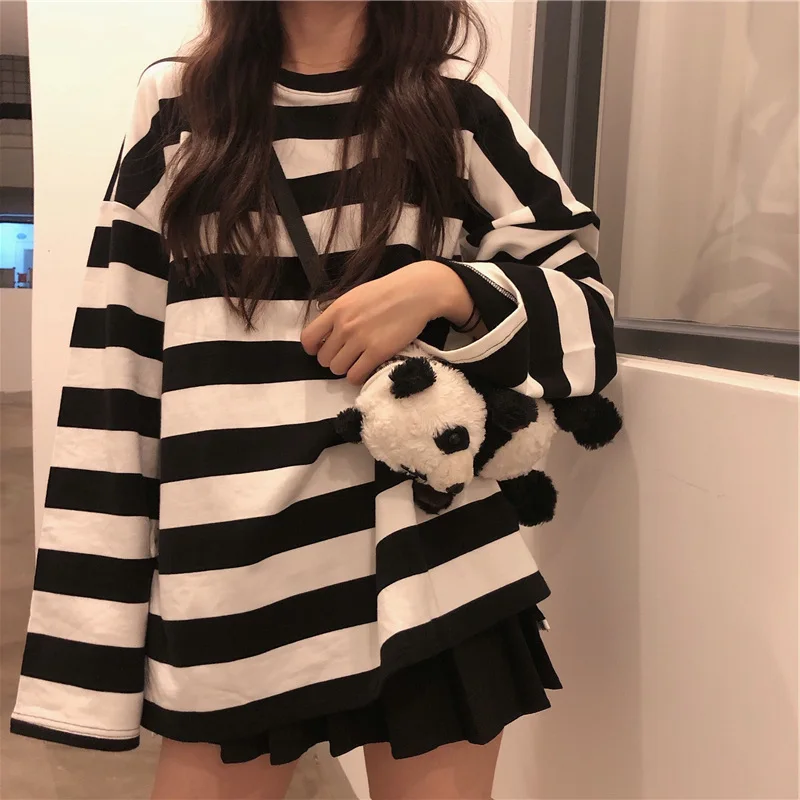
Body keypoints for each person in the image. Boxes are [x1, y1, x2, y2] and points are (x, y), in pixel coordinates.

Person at [11, 2, 617, 798]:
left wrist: (447, 286)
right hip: (233, 573)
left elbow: (589, 320)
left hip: (424, 563)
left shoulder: (454, 103)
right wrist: (88, 653)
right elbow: (116, 368)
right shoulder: (179, 104)